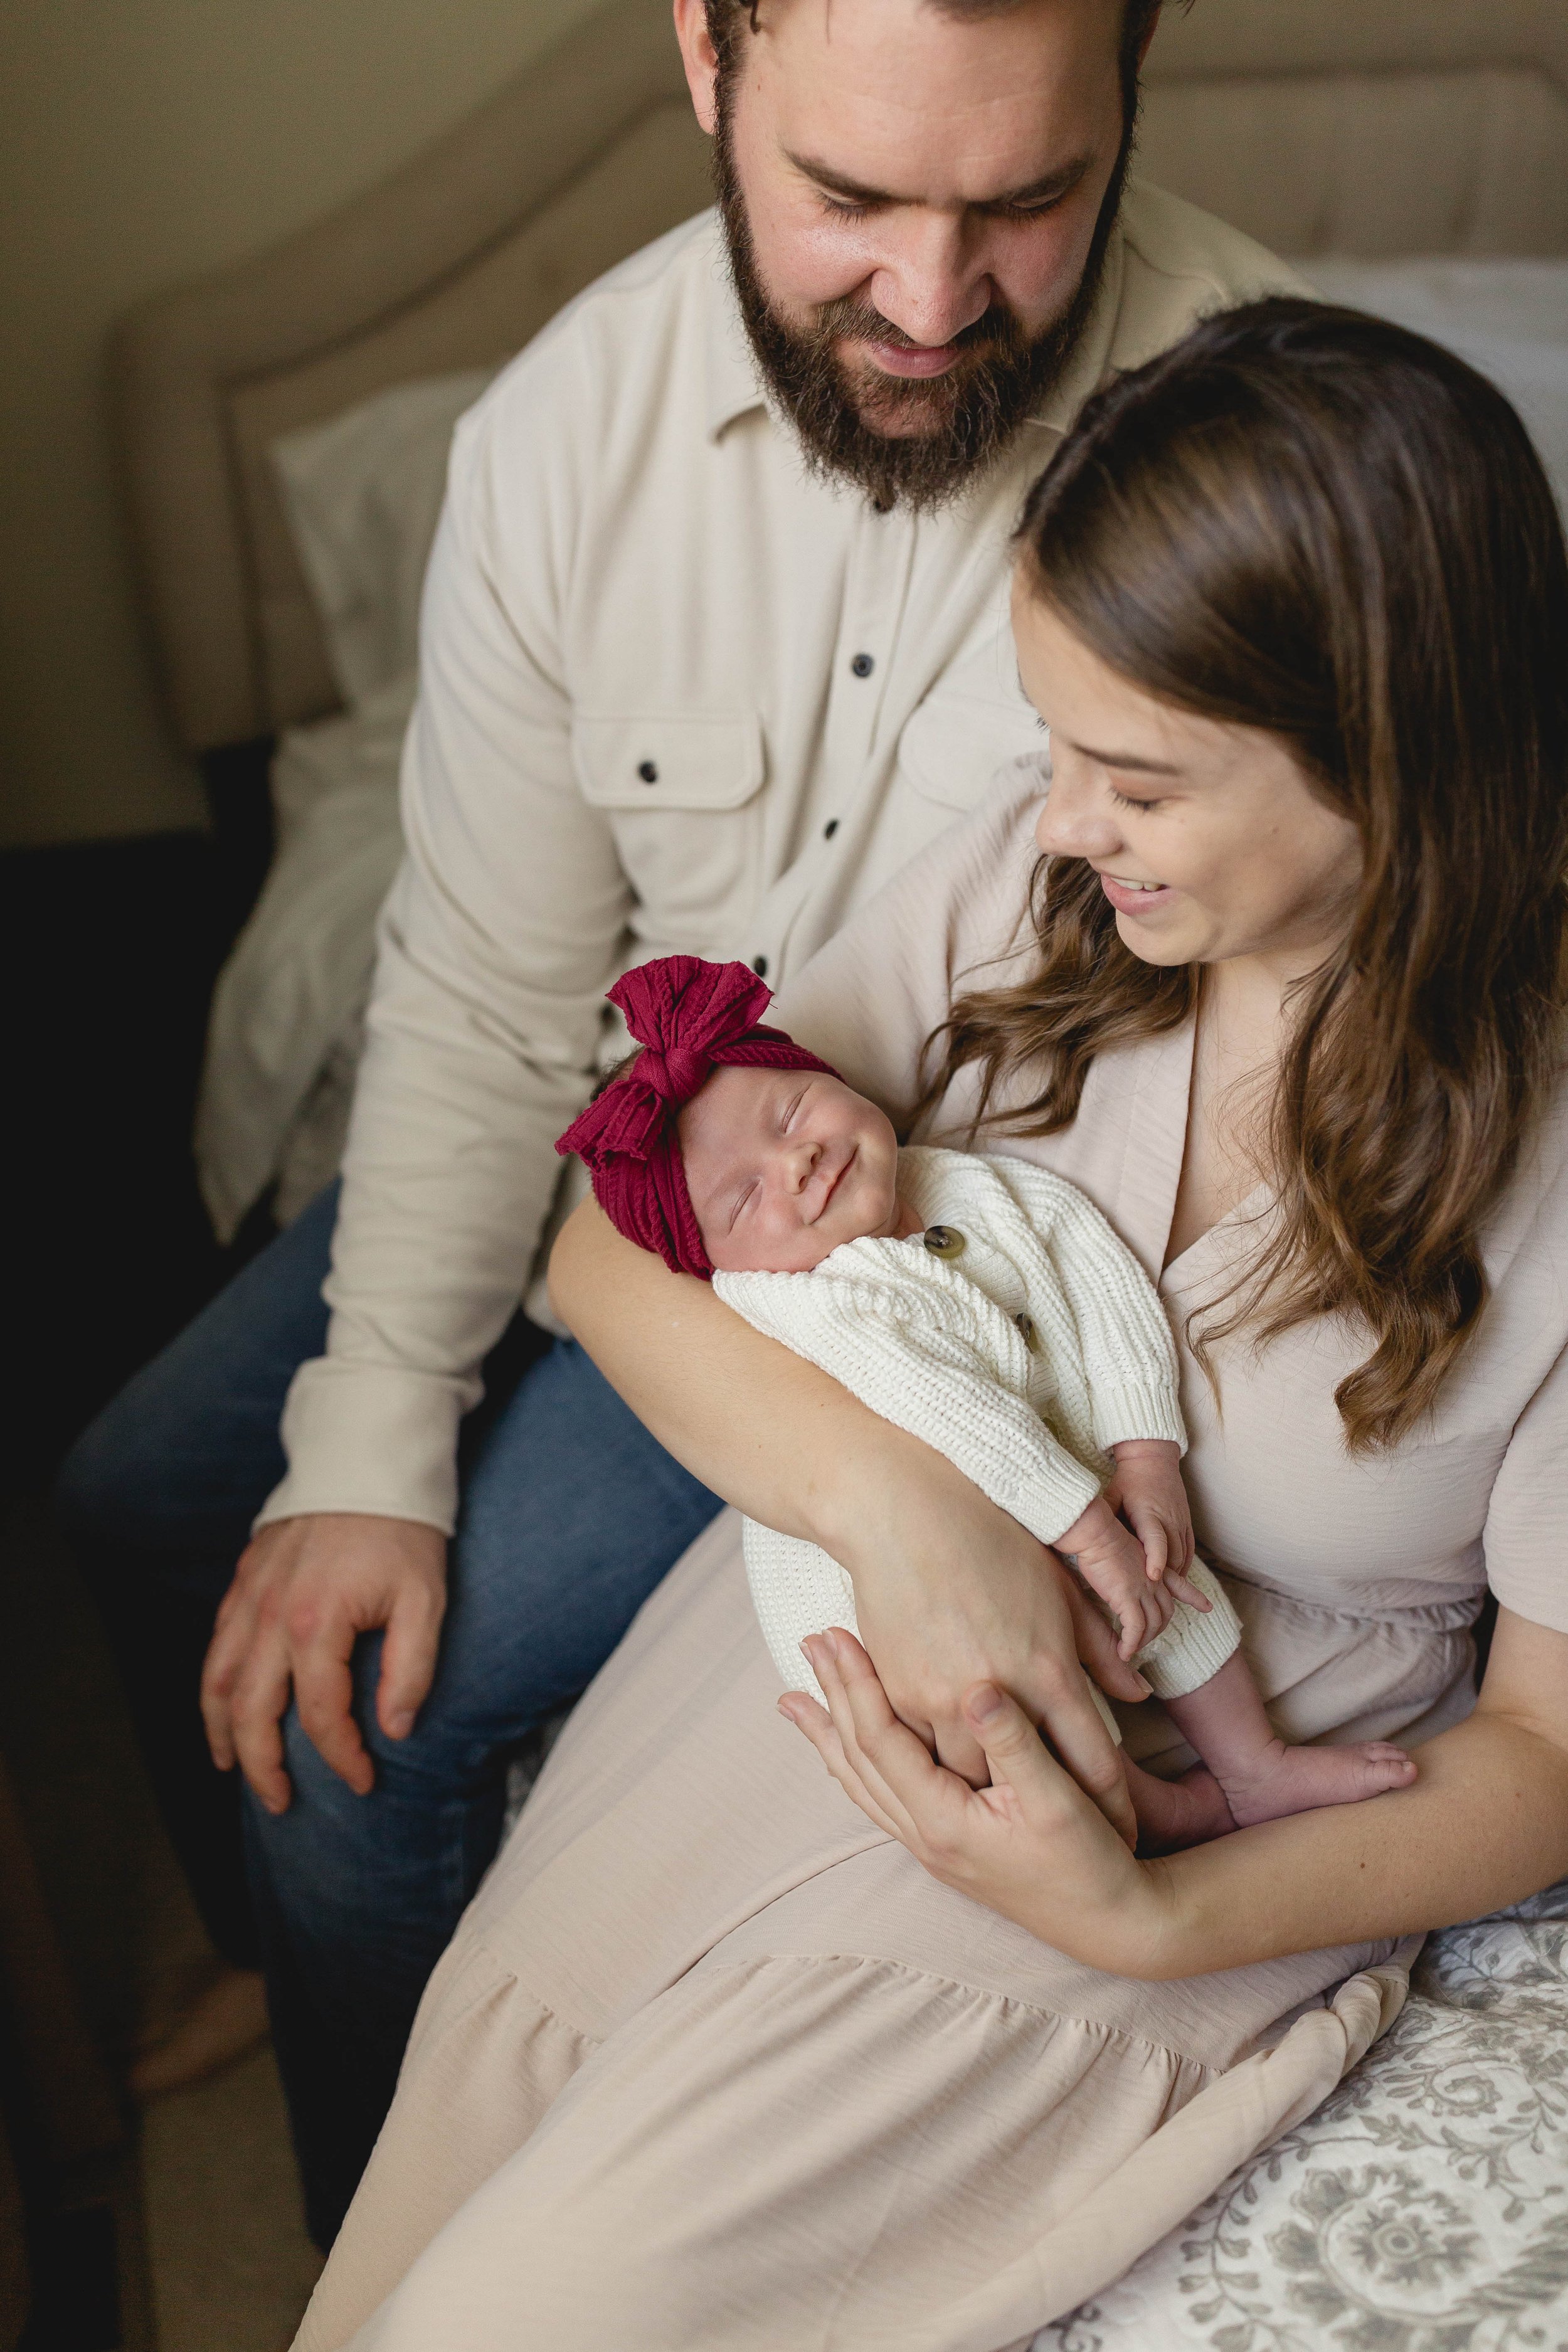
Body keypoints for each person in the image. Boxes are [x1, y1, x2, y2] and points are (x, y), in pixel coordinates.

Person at [55, 0, 1300, 2241]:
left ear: (1138, 79)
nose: (936, 309)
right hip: (623, 1143)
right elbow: (483, 991)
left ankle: (398, 2255)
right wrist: (370, 1442)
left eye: (1028, 202)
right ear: (708, 62)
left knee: (368, 1742)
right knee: (146, 1490)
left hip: (890, 1258)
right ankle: (284, 1955)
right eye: (851, 203)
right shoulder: (563, 439)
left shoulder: (1250, 439)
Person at [287, 300, 1568, 2352]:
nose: (1061, 821)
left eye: (1135, 777)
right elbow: (615, 1242)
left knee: (521, 2314)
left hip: (1162, 1810)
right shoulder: (1043, 901)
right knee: (460, 2152)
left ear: (1398, 753)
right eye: (1053, 744)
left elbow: (1547, 1757)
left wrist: (1151, 1913)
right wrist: (904, 1514)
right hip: (801, 1660)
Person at [559, 950, 1416, 1835]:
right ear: (708, 1265)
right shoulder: (805, 1299)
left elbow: (1095, 1276)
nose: (800, 1159)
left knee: (1169, 1581)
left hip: (1061, 1470)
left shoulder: (962, 1184)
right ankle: (1136, 1806)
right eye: (744, 1200)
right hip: (895, 1577)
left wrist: (1146, 1450)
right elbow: (949, 1412)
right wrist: (1085, 1532)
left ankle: (1252, 1766)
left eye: (791, 1112)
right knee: (989, 1692)